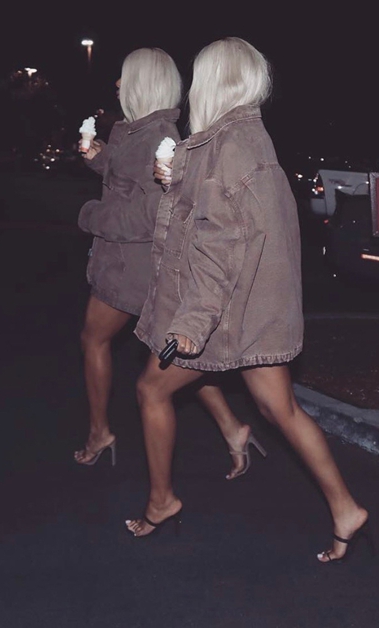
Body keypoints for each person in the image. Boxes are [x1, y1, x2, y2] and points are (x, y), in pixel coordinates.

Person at [127, 38, 369, 563]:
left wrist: (191, 323)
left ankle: (162, 501)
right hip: (259, 305)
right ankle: (346, 508)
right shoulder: (246, 138)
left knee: (151, 389)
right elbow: (229, 212)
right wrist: (179, 177)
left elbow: (220, 244)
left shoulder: (229, 147)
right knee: (279, 408)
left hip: (227, 309)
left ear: (213, 82)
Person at [74, 47, 259, 481]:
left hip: (132, 268)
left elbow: (150, 214)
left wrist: (91, 216)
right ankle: (233, 429)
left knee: (94, 340)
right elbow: (128, 181)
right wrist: (99, 158)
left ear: (142, 83)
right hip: (136, 264)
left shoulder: (160, 137)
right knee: (172, 355)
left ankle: (100, 433)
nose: (117, 83)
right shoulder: (139, 131)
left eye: (125, 76)